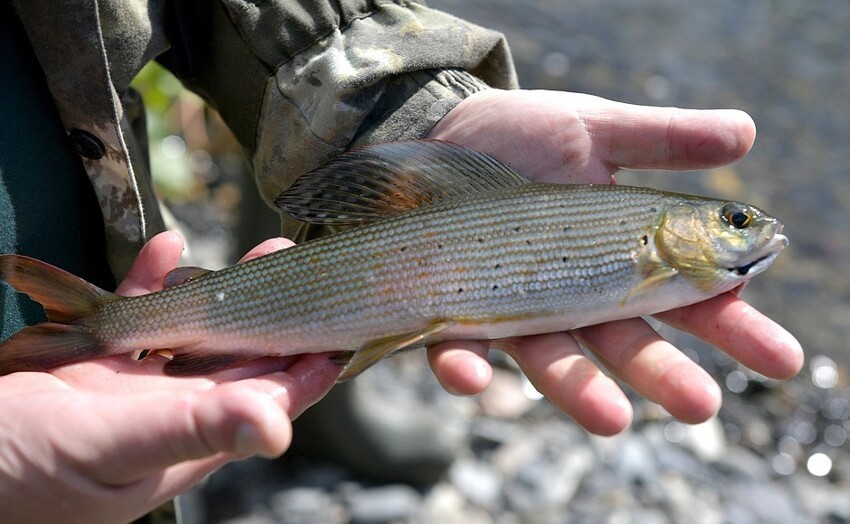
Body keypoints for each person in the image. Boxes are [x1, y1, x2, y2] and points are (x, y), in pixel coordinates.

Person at [0, 1, 803, 522]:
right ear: (677, 235)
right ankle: (115, 329)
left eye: (735, 220)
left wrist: (412, 108)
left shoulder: (656, 250)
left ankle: (150, 341)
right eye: (733, 220)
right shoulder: (650, 251)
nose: (748, 228)